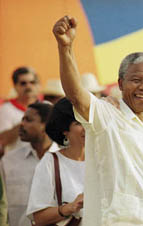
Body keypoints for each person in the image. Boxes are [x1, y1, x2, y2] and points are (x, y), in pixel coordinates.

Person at [52, 15, 143, 226]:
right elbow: (76, 93)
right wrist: (66, 47)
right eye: (136, 80)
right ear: (120, 83)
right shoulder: (106, 115)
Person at [27, 98, 85, 226]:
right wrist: (70, 207)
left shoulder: (104, 161)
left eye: (89, 120)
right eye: (79, 123)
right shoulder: (50, 162)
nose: (86, 127)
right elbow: (39, 218)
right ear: (65, 130)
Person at [0, 102, 57, 226]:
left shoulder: (64, 158)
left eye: (28, 120)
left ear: (46, 125)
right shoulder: (8, 161)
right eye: (22, 119)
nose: (22, 124)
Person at [0, 67, 41, 153]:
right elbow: (3, 141)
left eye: (32, 82)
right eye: (23, 83)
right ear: (15, 86)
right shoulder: (6, 109)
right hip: (16, 163)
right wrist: (26, 122)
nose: (28, 86)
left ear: (38, 85)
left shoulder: (47, 106)